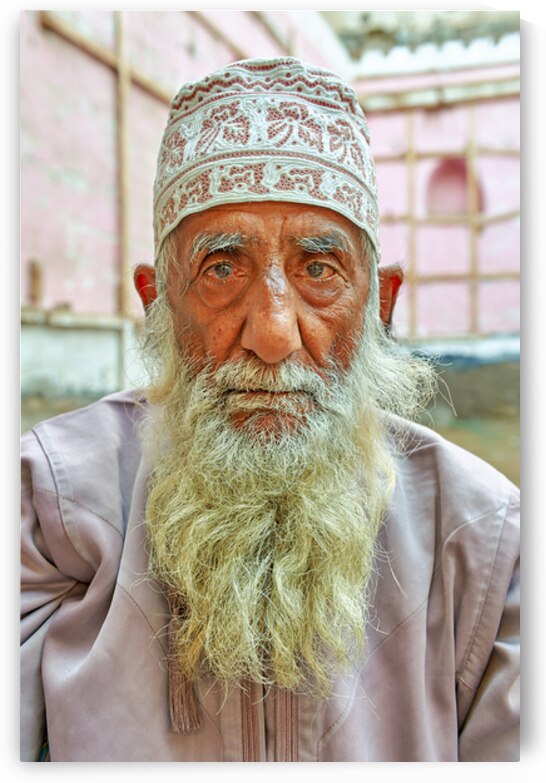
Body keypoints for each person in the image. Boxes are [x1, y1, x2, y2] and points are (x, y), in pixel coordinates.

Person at [20, 57, 519, 762]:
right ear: (155, 303)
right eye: (221, 269)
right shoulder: (52, 505)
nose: (273, 333)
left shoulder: (485, 541)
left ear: (379, 306)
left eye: (319, 270)